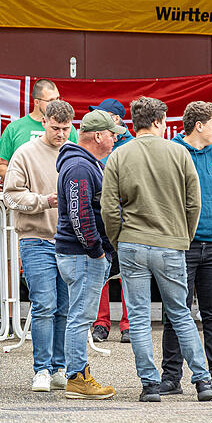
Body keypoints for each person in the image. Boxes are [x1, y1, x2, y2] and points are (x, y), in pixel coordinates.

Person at [101, 97, 212, 403]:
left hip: (132, 243)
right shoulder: (178, 152)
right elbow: (194, 202)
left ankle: (150, 385)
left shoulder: (119, 155)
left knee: (139, 317)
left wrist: (118, 240)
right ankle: (203, 381)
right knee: (180, 313)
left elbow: (109, 208)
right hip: (171, 243)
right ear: (158, 121)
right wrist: (184, 237)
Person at [158, 101, 212, 396]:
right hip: (182, 246)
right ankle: (171, 377)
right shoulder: (172, 153)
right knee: (176, 313)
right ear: (199, 125)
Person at [4, 100, 73, 392]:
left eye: (66, 128)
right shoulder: (25, 153)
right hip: (36, 238)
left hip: (69, 241)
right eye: (55, 127)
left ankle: (59, 367)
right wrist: (43, 201)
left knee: (65, 308)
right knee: (45, 305)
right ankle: (42, 369)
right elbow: (10, 196)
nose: (61, 134)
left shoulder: (73, 153)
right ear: (43, 122)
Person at [55, 110, 124, 400]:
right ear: (97, 136)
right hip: (82, 255)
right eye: (111, 135)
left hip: (81, 254)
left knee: (79, 316)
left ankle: (77, 374)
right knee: (80, 318)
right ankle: (77, 378)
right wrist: (96, 250)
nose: (114, 140)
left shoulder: (84, 164)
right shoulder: (80, 167)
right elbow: (79, 214)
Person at [88, 98, 131, 344]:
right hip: (99, 216)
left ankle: (128, 325)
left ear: (116, 119)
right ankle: (100, 323)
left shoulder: (132, 145)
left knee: (129, 271)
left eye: (102, 114)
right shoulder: (95, 145)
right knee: (100, 268)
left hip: (127, 218)